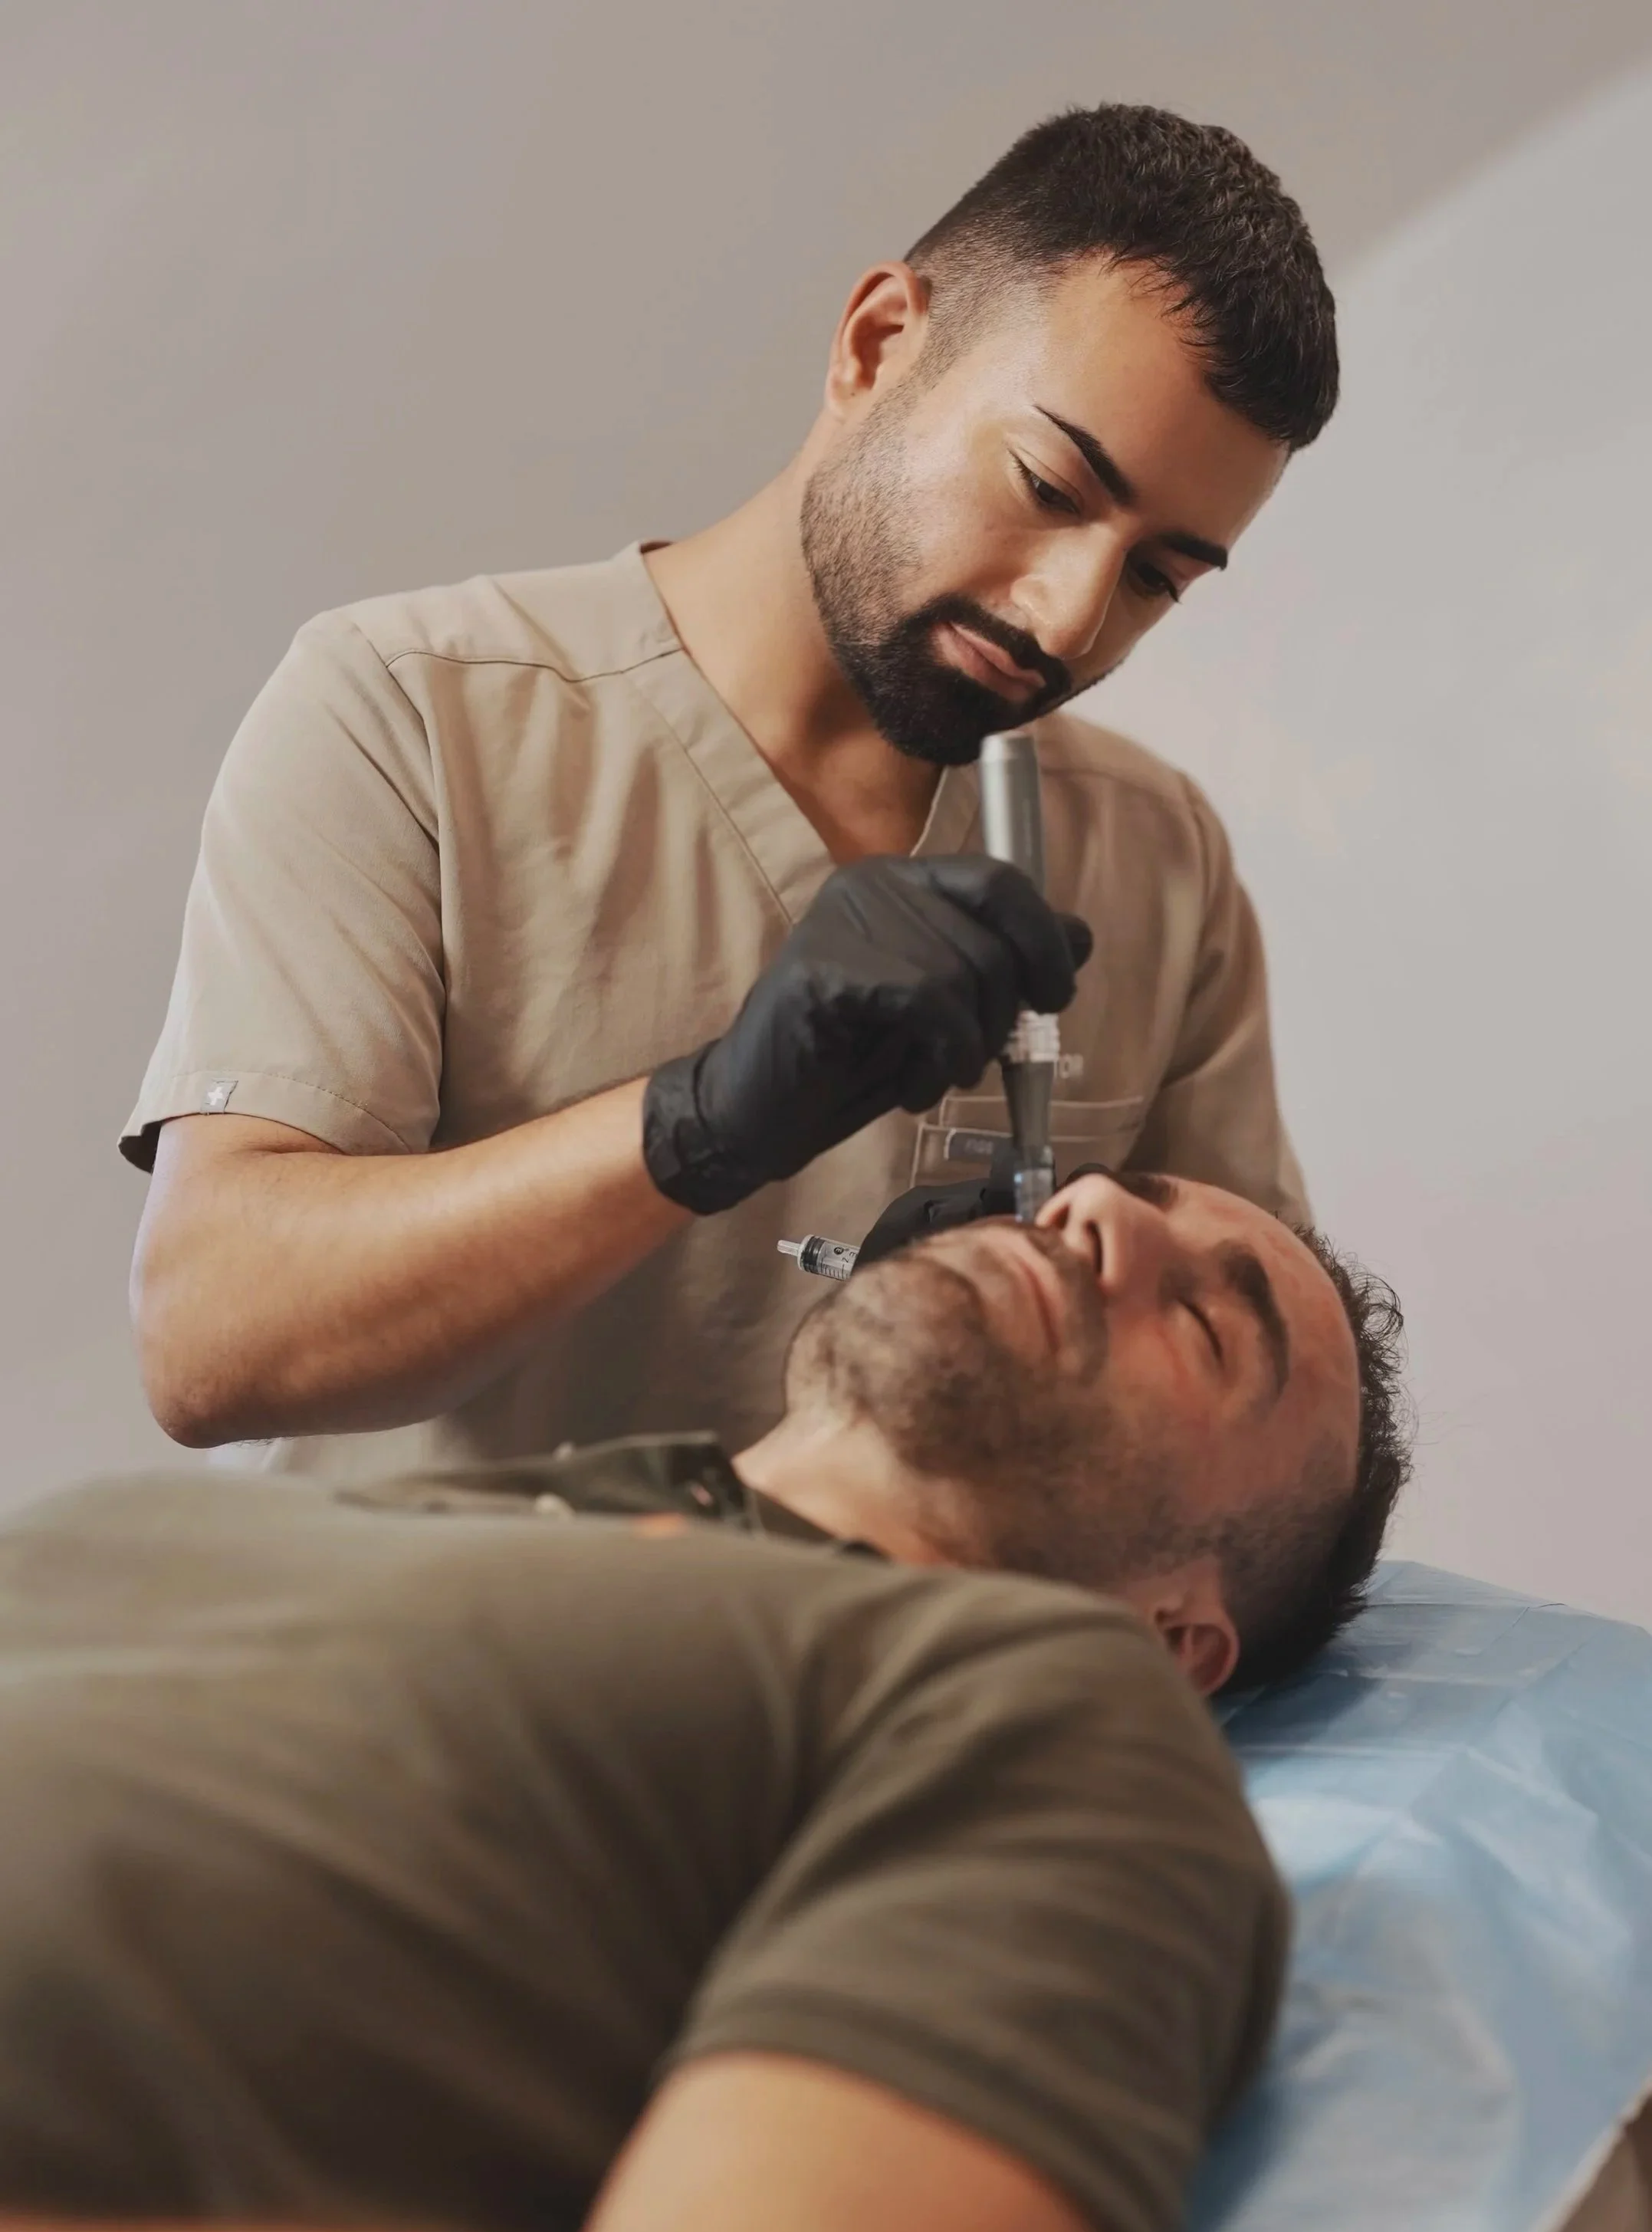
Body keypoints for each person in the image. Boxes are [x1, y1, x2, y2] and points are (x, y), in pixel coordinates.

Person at [0, 1171, 1408, 2232]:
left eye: (1207, 1322)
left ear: (1175, 1634)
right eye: (1107, 1190)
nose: (1088, 1208)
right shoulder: (414, 1522)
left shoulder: (1040, 1715)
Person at [123, 104, 1341, 1484]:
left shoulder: (1153, 863)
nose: (1067, 621)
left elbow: (1267, 1437)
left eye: (1155, 579)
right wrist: (693, 1122)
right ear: (877, 343)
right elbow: (212, 1343)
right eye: (1049, 485)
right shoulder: (412, 709)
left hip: (863, 1696)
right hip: (430, 1690)